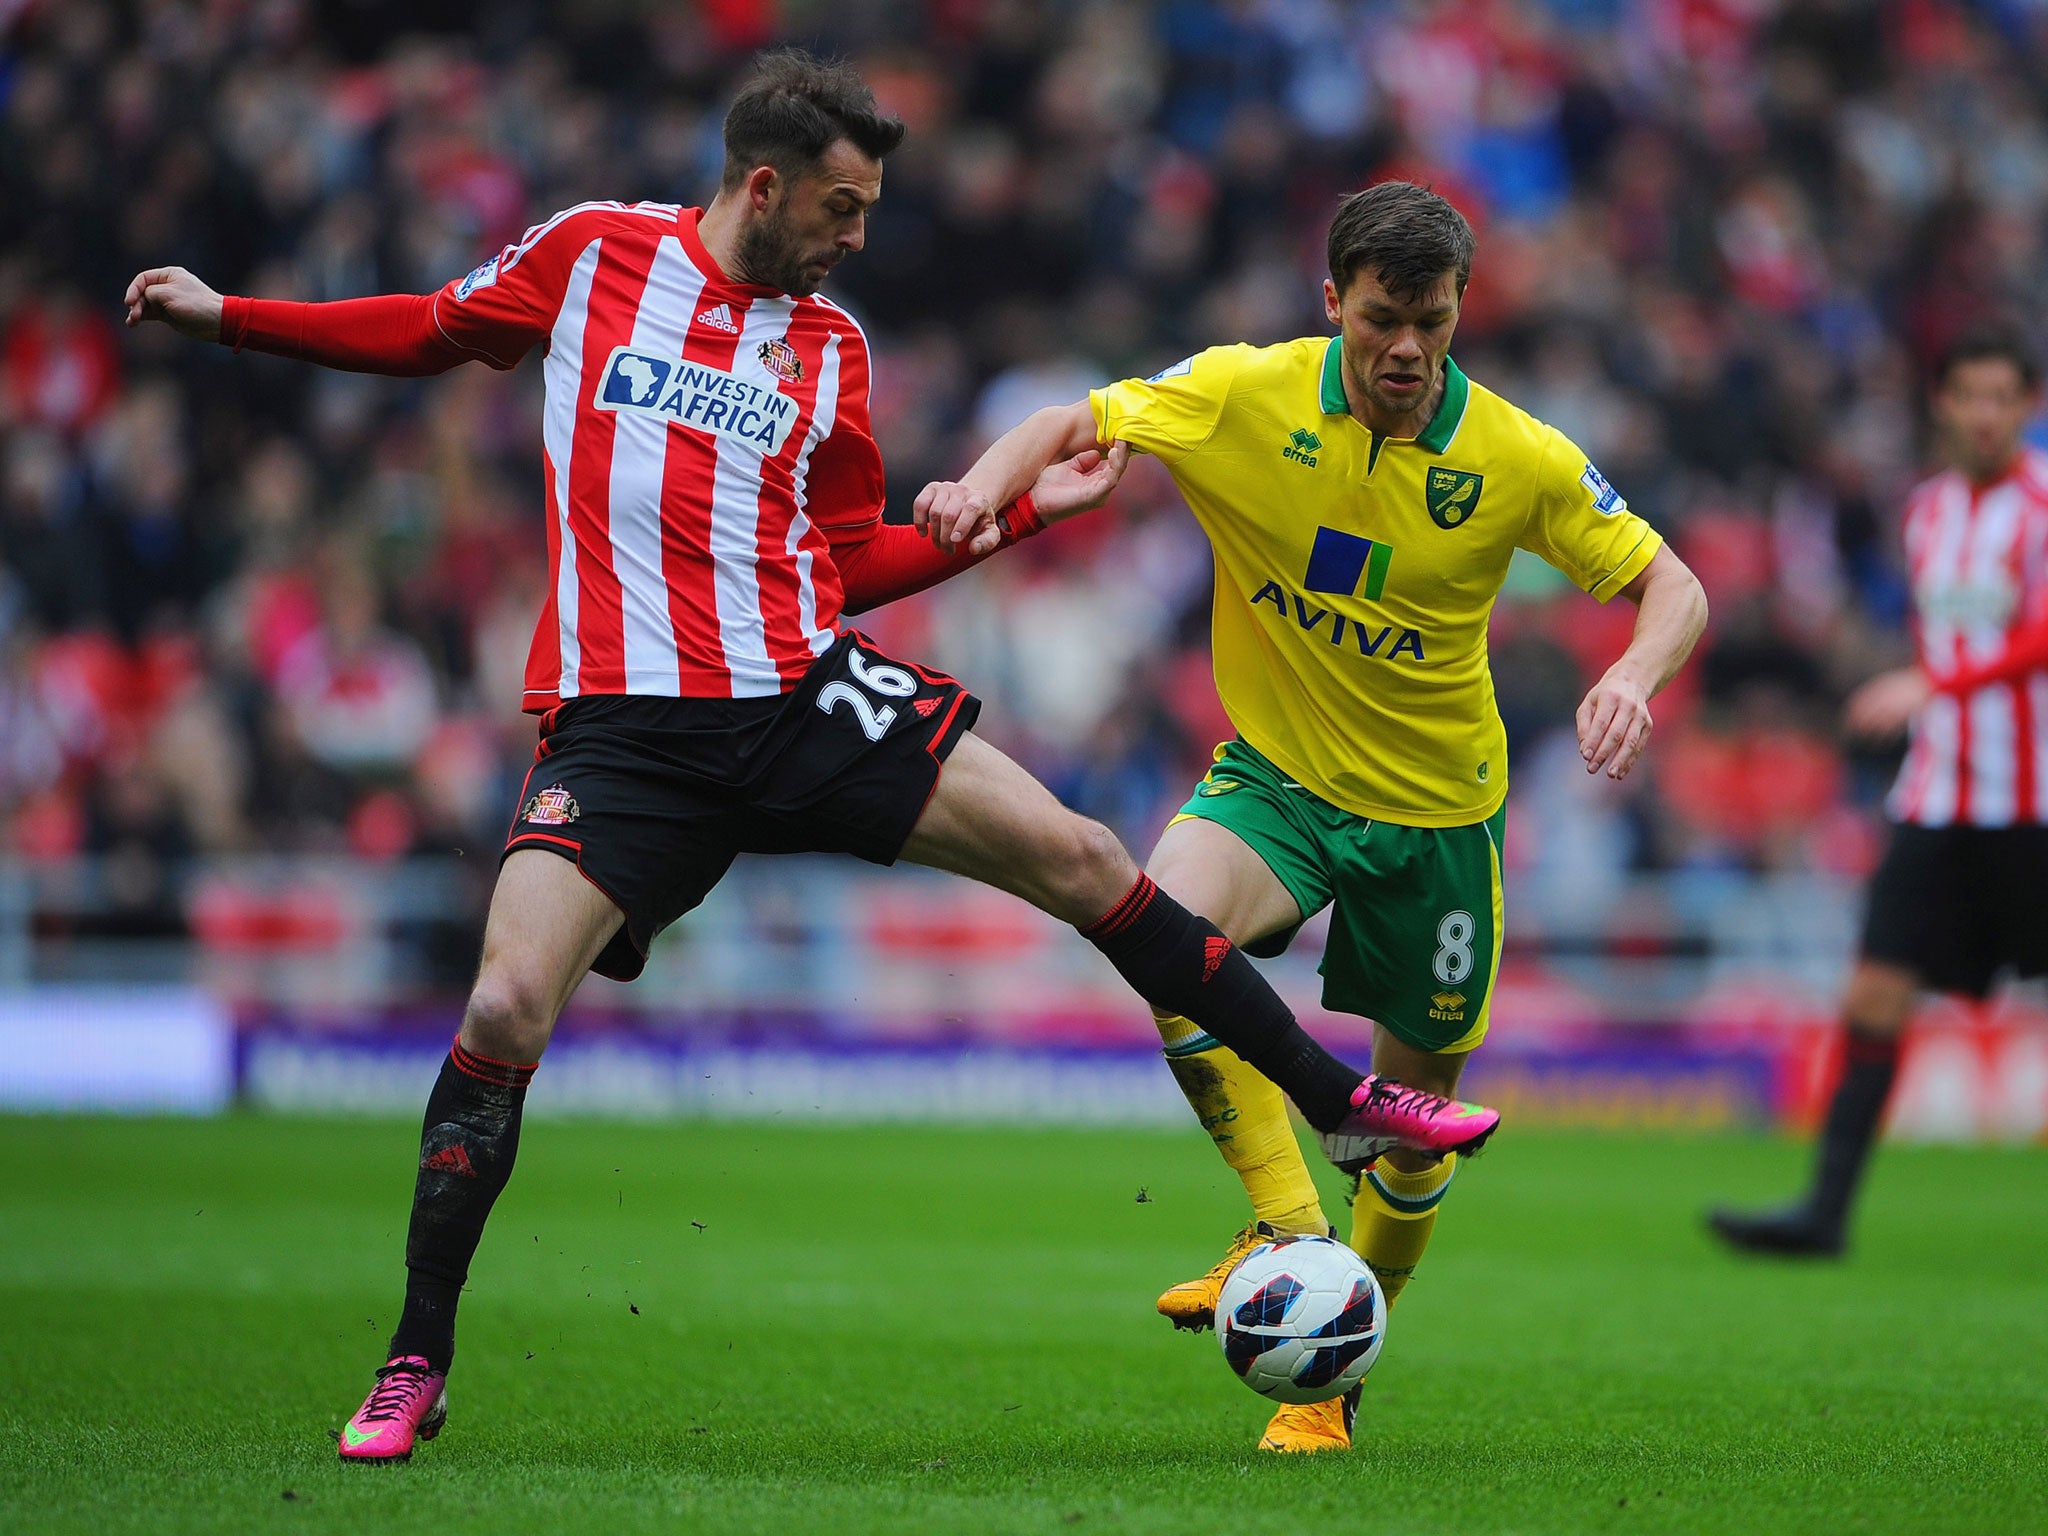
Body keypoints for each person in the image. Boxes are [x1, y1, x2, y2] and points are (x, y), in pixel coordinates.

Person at [124, 53, 1500, 1464]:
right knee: (506, 1001)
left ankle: (1343, 1104)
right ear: (765, 185)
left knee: (1088, 859)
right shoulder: (592, 257)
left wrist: (1023, 519)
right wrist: (231, 318)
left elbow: (842, 564)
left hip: (801, 690)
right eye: (843, 209)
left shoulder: (829, 349)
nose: (857, 239)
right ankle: (417, 1358)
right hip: (625, 726)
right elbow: (425, 329)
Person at [919, 181, 1708, 1453]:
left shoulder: (1515, 456)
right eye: (1383, 318)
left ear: (1460, 312)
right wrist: (975, 484)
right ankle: (1286, 1223)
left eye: (1433, 323)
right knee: (1157, 926)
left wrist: (1627, 673)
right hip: (1276, 779)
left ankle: (1334, 1380)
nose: (1406, 348)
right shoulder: (1244, 392)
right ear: (1329, 298)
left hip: (1436, 819)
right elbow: (1069, 417)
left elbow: (1671, 584)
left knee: (1411, 1134)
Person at [1709, 328, 2048, 1259]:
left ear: (2027, 404)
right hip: (1938, 795)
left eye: (2003, 397)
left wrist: (1934, 687)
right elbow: (1948, 643)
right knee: (1873, 993)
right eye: (1969, 395)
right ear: (1942, 403)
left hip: (2034, 802)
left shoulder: (2042, 503)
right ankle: (1824, 1213)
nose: (1985, 414)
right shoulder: (1931, 510)